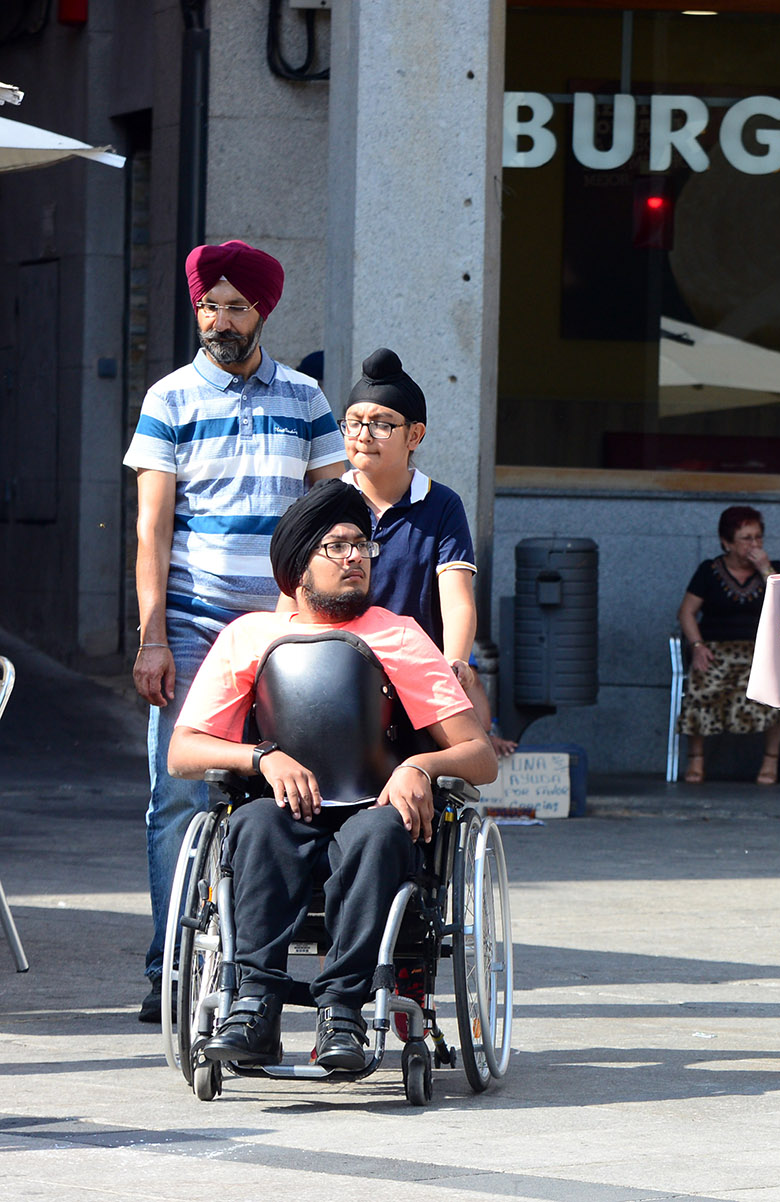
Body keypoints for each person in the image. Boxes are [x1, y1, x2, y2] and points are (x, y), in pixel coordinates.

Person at [166, 480, 497, 1070]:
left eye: (362, 547)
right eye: (337, 548)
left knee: (378, 834)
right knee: (253, 825)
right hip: (284, 807)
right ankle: (254, 1007)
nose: (355, 560)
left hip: (375, 807)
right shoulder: (249, 636)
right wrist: (260, 757)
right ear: (298, 568)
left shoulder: (400, 636)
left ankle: (343, 1010)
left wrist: (420, 765)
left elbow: (479, 755)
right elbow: (184, 750)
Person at [124, 240, 347, 1022]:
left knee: (295, 791)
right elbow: (152, 528)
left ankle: (264, 964)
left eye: (234, 307)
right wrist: (152, 636)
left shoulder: (308, 401)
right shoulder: (170, 398)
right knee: (178, 796)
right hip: (191, 626)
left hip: (285, 631)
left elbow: (331, 517)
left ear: (263, 312)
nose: (219, 320)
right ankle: (169, 969)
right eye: (208, 306)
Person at [335, 348, 509, 749]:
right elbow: (296, 592)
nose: (363, 436)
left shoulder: (442, 504)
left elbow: (458, 598)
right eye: (354, 423)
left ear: (415, 435)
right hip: (339, 674)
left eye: (381, 425)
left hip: (415, 679)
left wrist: (456, 661)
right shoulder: (329, 499)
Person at [674, 506, 780, 783]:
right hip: (716, 650)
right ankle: (696, 759)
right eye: (746, 538)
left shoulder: (775, 571)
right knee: (702, 684)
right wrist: (697, 645)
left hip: (761, 652)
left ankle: (771, 760)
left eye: (758, 537)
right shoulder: (709, 571)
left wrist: (765, 570)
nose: (754, 544)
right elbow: (686, 612)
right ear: (727, 543)